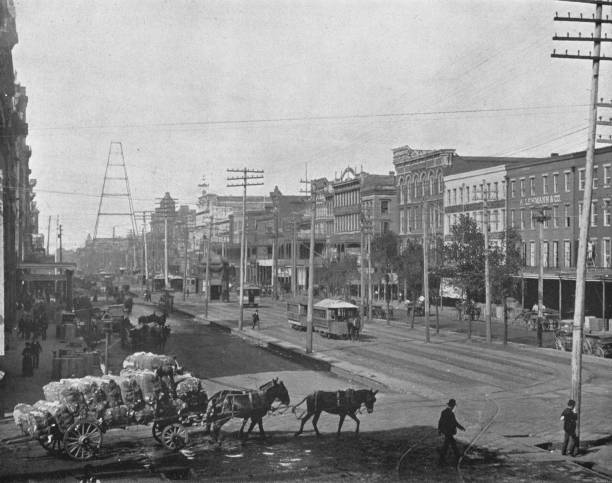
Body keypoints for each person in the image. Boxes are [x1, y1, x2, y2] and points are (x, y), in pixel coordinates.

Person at [438, 398, 465, 465]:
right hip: (449, 432)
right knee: (447, 445)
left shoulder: (443, 412)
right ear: (452, 406)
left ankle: (457, 455)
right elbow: (455, 422)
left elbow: (440, 421)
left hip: (445, 431)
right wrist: (461, 427)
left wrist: (439, 430)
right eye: (454, 406)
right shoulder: (451, 413)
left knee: (452, 444)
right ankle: (442, 459)